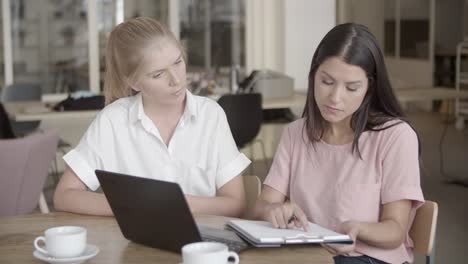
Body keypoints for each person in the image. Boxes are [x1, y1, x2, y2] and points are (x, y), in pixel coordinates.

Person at [253, 23, 424, 264]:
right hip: (309, 255)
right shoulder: (295, 133)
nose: (335, 98)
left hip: (369, 258)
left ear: (369, 88)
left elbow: (395, 230)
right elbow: (264, 204)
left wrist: (358, 229)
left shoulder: (395, 136)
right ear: (313, 75)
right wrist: (273, 210)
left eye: (351, 87)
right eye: (327, 82)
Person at [54, 17, 250, 217]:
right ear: (134, 83)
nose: (176, 80)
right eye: (158, 74)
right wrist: (130, 205)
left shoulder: (211, 115)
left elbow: (236, 204)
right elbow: (64, 195)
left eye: (177, 62)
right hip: (132, 246)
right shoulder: (112, 121)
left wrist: (175, 203)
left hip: (199, 244)